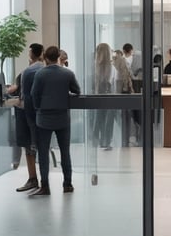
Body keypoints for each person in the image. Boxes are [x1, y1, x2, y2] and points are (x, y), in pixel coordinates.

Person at [30, 46, 81, 196]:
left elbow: (34, 95)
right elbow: (77, 91)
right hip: (62, 118)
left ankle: (45, 185)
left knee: (43, 152)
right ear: (59, 56)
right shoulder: (67, 73)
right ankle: (67, 184)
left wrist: (39, 108)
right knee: (65, 152)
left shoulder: (40, 74)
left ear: (45, 57)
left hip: (44, 118)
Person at [13, 43, 44, 193]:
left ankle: (33, 179)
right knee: (38, 147)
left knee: (29, 147)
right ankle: (42, 182)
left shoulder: (28, 72)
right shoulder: (44, 70)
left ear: (31, 54)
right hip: (42, 114)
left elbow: (24, 96)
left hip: (28, 114)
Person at [93, 43, 116, 150]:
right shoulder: (112, 67)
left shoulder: (94, 67)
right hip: (110, 97)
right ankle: (106, 141)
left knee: (98, 119)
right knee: (108, 120)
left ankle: (95, 140)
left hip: (97, 96)